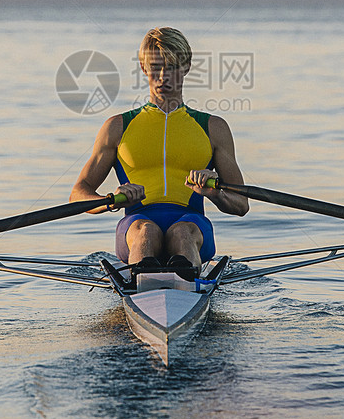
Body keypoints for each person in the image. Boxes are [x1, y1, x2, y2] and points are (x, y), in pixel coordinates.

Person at [70, 27, 248, 280]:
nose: (163, 76)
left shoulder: (213, 128)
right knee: (146, 231)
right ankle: (149, 283)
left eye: (173, 67)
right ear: (143, 68)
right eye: (156, 67)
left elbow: (241, 205)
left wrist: (215, 193)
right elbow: (78, 193)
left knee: (182, 232)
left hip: (193, 225)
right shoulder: (117, 127)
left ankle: (176, 283)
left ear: (186, 67)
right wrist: (111, 199)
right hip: (136, 225)